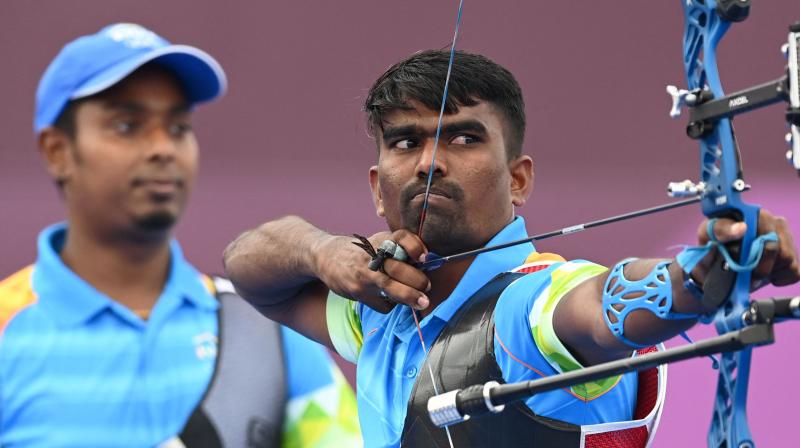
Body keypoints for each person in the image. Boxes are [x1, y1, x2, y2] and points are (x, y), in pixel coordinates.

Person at [222, 50, 800, 447]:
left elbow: (602, 305)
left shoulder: (536, 305)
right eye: (406, 142)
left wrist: (704, 272)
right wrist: (324, 252)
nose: (430, 161)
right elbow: (247, 265)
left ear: (518, 179)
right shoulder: (377, 311)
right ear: (378, 187)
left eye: (464, 137)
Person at [0, 23, 360, 448]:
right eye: (127, 125)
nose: (163, 148)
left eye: (178, 127)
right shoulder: (7, 329)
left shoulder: (269, 327)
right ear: (57, 151)